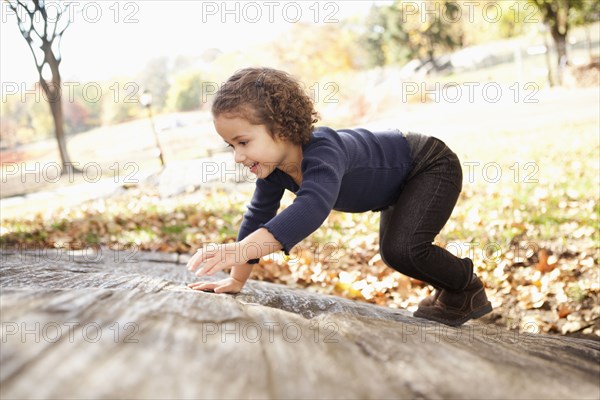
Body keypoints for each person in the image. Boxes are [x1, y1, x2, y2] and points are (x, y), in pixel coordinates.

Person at [187, 67, 492, 327]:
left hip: (428, 165)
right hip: (397, 183)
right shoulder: (273, 169)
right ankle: (452, 288)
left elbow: (311, 208)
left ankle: (465, 287)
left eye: (243, 142)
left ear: (280, 129)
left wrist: (241, 250)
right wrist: (237, 279)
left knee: (403, 249)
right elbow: (258, 215)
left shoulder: (323, 151)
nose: (238, 156)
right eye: (231, 146)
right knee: (394, 251)